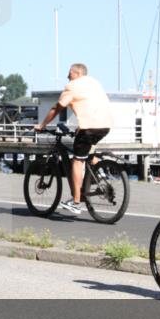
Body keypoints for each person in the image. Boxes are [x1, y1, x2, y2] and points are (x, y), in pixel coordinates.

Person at [33, 63, 113, 215]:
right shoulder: (95, 82)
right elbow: (91, 105)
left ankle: (76, 202)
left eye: (68, 74)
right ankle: (100, 178)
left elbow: (57, 107)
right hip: (105, 126)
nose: (67, 77)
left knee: (77, 161)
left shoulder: (72, 86)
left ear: (75, 73)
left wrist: (43, 124)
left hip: (89, 127)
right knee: (89, 153)